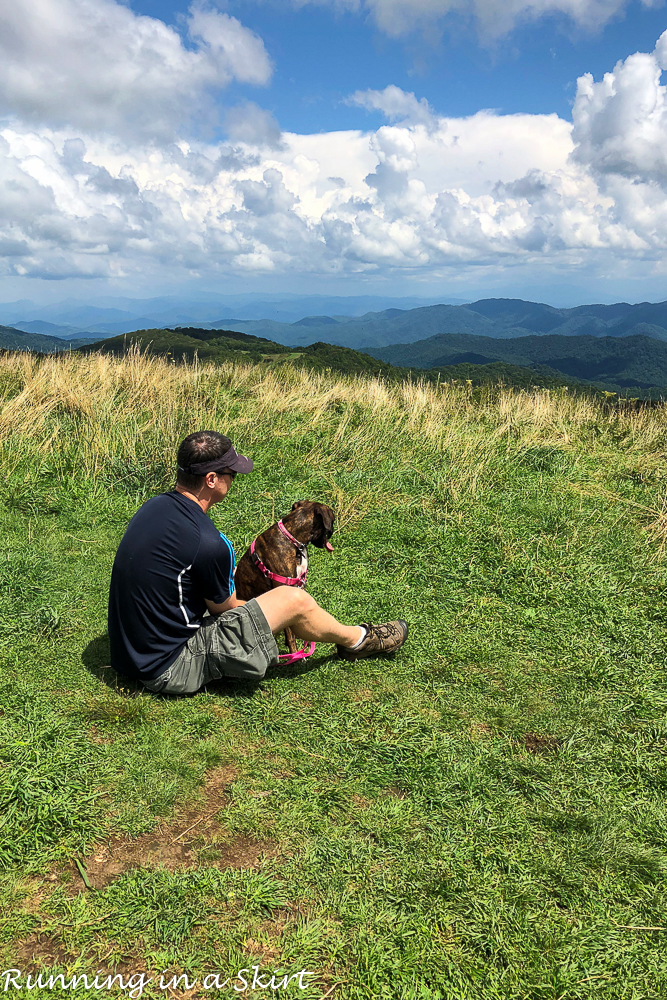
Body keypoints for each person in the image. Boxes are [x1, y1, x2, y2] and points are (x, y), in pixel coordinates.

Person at [108, 430, 408, 695]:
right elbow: (223, 609)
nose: (234, 480)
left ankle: (352, 637)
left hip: (128, 654)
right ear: (211, 480)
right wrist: (275, 610)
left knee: (280, 602)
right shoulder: (210, 543)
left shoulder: (153, 507)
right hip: (168, 669)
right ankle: (359, 640)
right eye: (232, 474)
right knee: (294, 600)